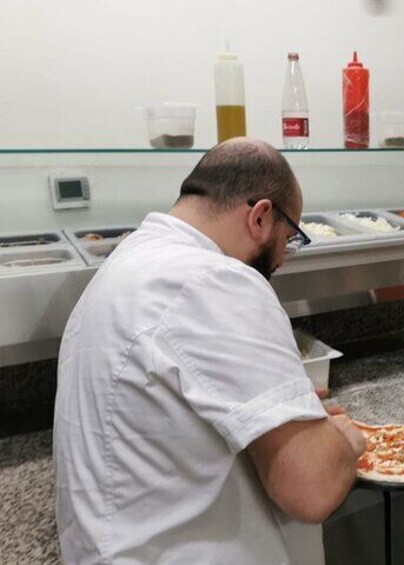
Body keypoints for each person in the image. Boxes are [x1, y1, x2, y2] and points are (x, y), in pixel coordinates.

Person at [53, 138, 365, 564]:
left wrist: (286, 413)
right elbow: (313, 489)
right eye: (288, 239)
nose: (284, 259)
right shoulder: (216, 280)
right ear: (260, 217)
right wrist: (342, 442)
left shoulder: (125, 266)